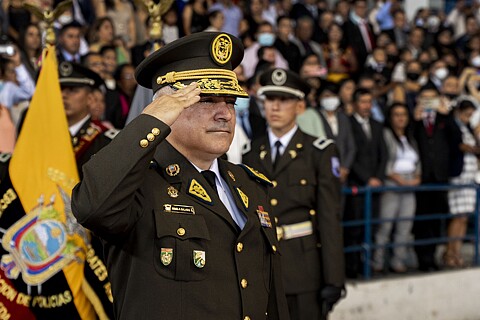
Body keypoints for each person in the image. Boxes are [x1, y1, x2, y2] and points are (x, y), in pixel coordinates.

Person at [72, 32, 289, 320]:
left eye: (231, 102)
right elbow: (91, 207)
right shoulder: (137, 182)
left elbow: (270, 297)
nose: (225, 113)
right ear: (169, 108)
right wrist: (149, 121)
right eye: (207, 100)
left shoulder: (249, 184)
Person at [242, 68, 345, 320]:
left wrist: (333, 278)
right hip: (262, 270)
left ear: (300, 106)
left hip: (304, 271)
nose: (274, 107)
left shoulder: (319, 151)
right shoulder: (250, 153)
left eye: (284, 100)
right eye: (269, 100)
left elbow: (329, 218)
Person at [373, 103, 421, 273]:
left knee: (405, 226)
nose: (401, 118)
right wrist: (396, 178)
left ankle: (397, 261)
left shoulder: (410, 137)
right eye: (396, 114)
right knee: (385, 225)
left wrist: (417, 178)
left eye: (404, 114)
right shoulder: (385, 135)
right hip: (392, 183)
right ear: (390, 117)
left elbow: (417, 161)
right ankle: (377, 262)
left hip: (410, 185)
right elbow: (384, 159)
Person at [445, 99, 479, 268]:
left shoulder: (468, 128)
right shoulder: (452, 125)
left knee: (464, 217)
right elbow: (458, 146)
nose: (468, 118)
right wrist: (473, 149)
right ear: (459, 111)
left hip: (470, 177)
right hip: (458, 177)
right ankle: (449, 252)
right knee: (457, 217)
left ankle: (457, 252)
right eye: (466, 114)